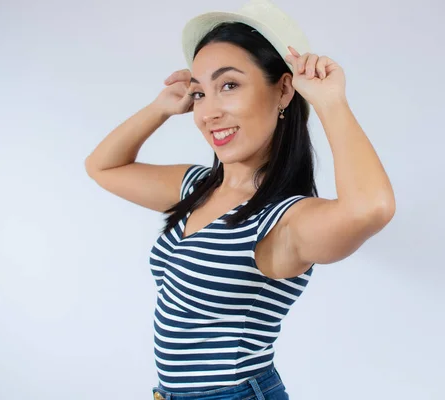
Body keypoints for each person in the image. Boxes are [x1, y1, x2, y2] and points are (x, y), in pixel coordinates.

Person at [85, 0, 395, 398]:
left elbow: (372, 208)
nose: (207, 112)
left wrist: (329, 102)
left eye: (229, 85)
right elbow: (101, 168)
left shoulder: (284, 219)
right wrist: (161, 107)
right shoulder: (196, 188)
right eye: (200, 93)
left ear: (284, 89)